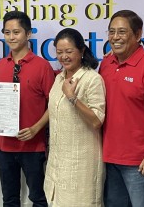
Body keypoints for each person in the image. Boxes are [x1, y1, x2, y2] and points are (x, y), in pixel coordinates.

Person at [0, 11, 54, 207]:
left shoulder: (42, 66)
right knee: (9, 199)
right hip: (4, 145)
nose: (11, 37)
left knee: (38, 197)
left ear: (28, 34)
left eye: (16, 32)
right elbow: (0, 103)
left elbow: (55, 105)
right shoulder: (0, 65)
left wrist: (36, 129)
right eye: (7, 32)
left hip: (32, 145)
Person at [99, 10, 144, 207]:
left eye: (122, 32)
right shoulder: (106, 63)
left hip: (139, 161)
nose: (115, 37)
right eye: (111, 31)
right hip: (110, 157)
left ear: (138, 35)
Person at [44, 28, 105, 206]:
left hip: (81, 163)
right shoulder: (59, 78)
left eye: (69, 51)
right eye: (59, 52)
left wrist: (72, 98)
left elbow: (97, 121)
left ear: (82, 50)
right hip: (57, 160)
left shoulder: (92, 79)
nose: (64, 56)